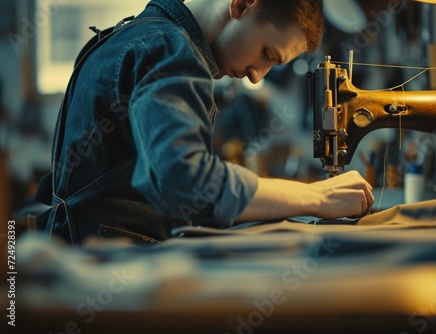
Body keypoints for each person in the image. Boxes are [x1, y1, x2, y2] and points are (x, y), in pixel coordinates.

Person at [35, 0, 374, 245]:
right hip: (106, 275)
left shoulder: (133, 33)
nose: (258, 76)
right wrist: (317, 198)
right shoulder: (169, 49)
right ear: (241, 5)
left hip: (86, 254)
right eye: (267, 54)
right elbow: (188, 182)